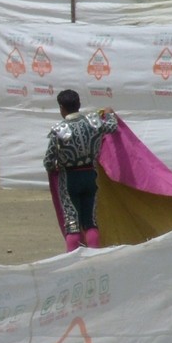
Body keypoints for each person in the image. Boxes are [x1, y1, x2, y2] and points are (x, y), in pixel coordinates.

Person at [43, 89, 117, 252]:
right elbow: (112, 127)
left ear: (61, 108)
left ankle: (72, 261)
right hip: (90, 176)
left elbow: (48, 161)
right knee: (90, 221)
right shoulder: (93, 123)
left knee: (73, 223)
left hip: (69, 179)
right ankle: (95, 256)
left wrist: (57, 166)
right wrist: (110, 113)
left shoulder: (59, 130)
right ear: (79, 105)